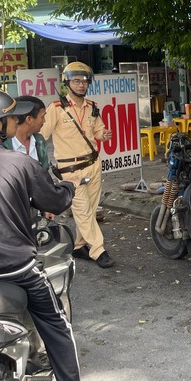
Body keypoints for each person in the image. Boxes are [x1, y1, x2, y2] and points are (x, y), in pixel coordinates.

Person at [0, 90, 102, 381]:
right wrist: (69, 185)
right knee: (56, 322)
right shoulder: (19, 163)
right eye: (9, 117)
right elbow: (54, 200)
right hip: (14, 270)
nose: (14, 121)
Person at [41, 62, 115, 269]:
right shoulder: (56, 109)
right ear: (67, 83)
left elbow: (98, 132)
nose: (81, 85)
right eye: (76, 81)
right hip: (70, 170)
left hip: (93, 164)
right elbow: (41, 136)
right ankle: (98, 250)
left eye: (84, 81)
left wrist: (104, 135)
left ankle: (79, 245)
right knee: (82, 210)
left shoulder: (92, 107)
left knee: (89, 210)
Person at [5, 95, 54, 219]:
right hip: (10, 213)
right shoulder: (3, 144)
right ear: (29, 119)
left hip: (34, 214)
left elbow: (44, 176)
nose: (44, 121)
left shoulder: (39, 141)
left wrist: (47, 206)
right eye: (42, 117)